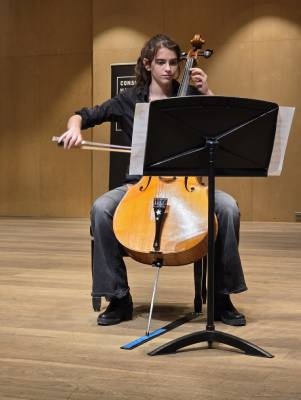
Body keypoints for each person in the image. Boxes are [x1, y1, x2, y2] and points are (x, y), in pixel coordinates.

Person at [58, 34, 247, 327]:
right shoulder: (129, 99)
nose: (168, 68)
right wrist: (74, 130)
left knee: (228, 208)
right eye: (161, 62)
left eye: (173, 62)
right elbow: (82, 115)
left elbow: (222, 126)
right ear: (147, 64)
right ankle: (118, 297)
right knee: (101, 209)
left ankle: (221, 297)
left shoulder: (190, 98)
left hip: (188, 185)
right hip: (139, 185)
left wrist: (207, 90)